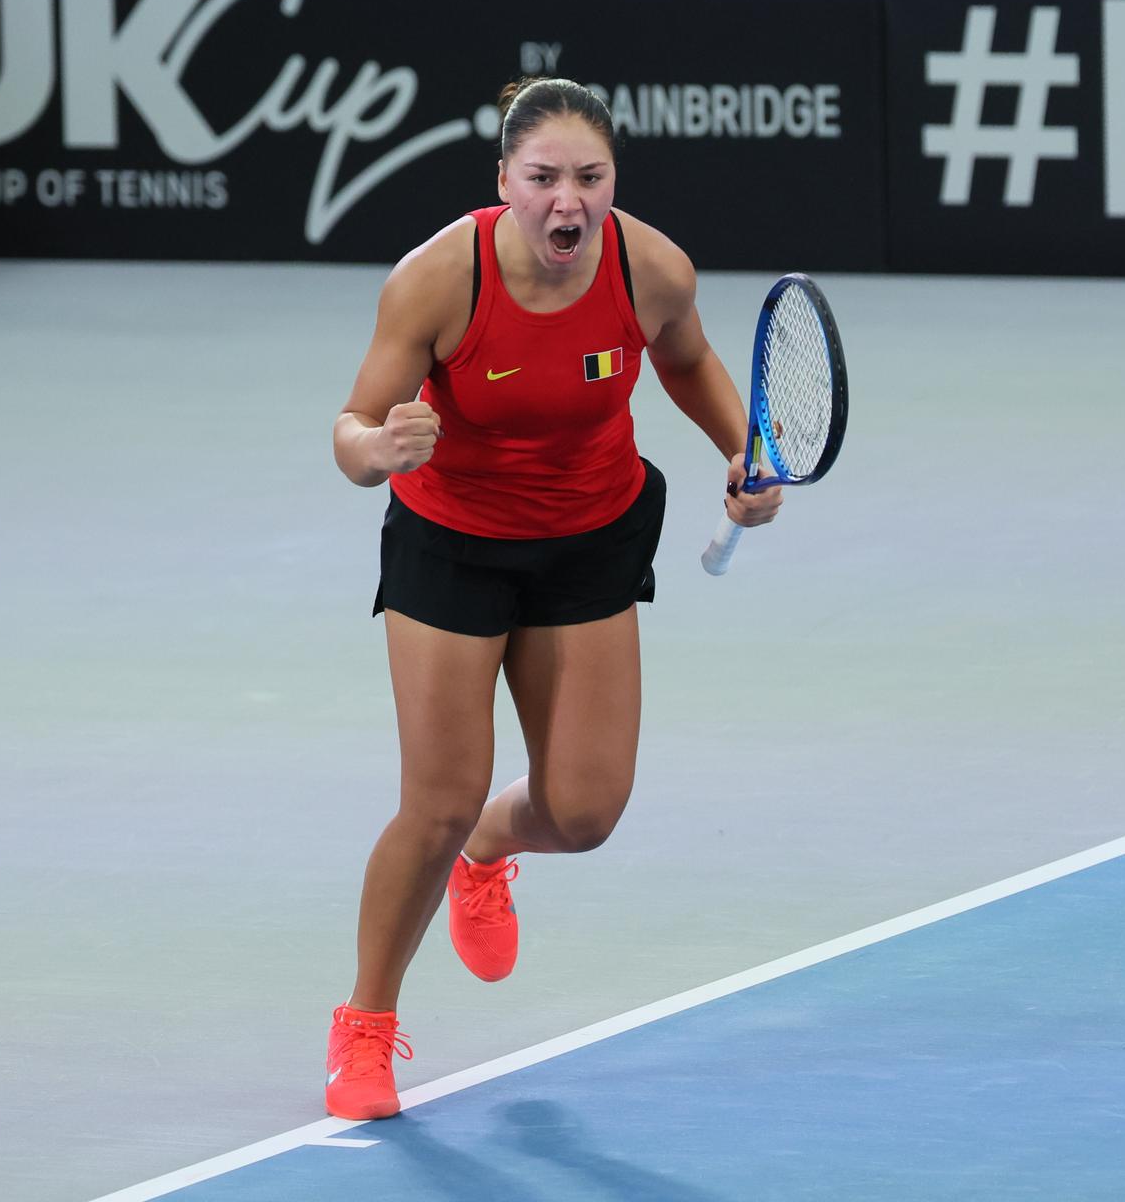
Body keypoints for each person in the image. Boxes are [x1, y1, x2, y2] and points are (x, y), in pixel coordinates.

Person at [324, 76, 782, 1121]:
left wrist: (744, 458)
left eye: (590, 177)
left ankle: (496, 845)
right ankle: (365, 1025)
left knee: (583, 810)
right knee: (435, 801)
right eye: (543, 178)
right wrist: (377, 449)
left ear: (612, 181)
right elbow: (350, 426)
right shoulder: (436, 281)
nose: (567, 200)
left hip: (590, 536)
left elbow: (690, 360)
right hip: (454, 544)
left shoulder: (652, 267)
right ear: (504, 184)